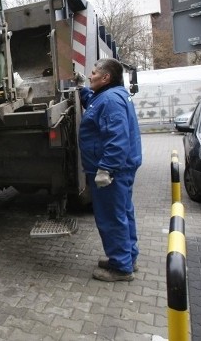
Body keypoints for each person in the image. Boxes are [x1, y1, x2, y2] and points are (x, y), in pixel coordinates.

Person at [76, 59, 142, 282]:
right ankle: (127, 257)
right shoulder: (109, 95)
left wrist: (106, 169)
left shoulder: (111, 101)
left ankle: (121, 268)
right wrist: (80, 89)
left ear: (106, 78)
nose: (89, 76)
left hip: (112, 171)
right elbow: (93, 104)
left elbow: (116, 138)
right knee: (123, 213)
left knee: (111, 217)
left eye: (93, 73)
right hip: (121, 169)